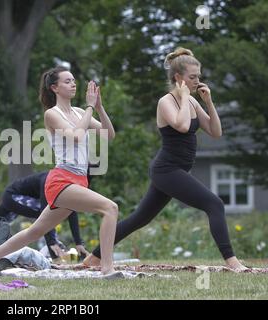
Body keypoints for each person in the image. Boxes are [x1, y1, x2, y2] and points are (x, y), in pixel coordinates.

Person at [84, 48, 247, 271]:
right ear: (178, 78)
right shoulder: (166, 102)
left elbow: (215, 131)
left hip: (176, 170)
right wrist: (184, 97)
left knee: (140, 218)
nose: (197, 81)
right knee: (214, 204)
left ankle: (93, 258)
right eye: (192, 77)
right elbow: (180, 125)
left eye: (199, 76)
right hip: (166, 170)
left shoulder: (192, 103)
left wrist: (208, 102)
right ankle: (232, 262)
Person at [0, 66, 119, 275]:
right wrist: (90, 108)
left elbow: (109, 135)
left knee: (36, 231)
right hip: (62, 180)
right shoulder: (51, 114)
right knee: (110, 208)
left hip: (79, 179)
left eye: (73, 80)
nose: (73, 84)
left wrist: (99, 108)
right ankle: (107, 269)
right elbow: (76, 136)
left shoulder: (80, 112)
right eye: (67, 81)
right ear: (54, 87)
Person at [0, 170, 91, 259]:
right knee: (49, 215)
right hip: (13, 196)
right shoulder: (51, 181)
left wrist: (78, 242)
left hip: (21, 197)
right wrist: (52, 242)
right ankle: (52, 250)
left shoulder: (66, 187)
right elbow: (46, 215)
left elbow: (71, 210)